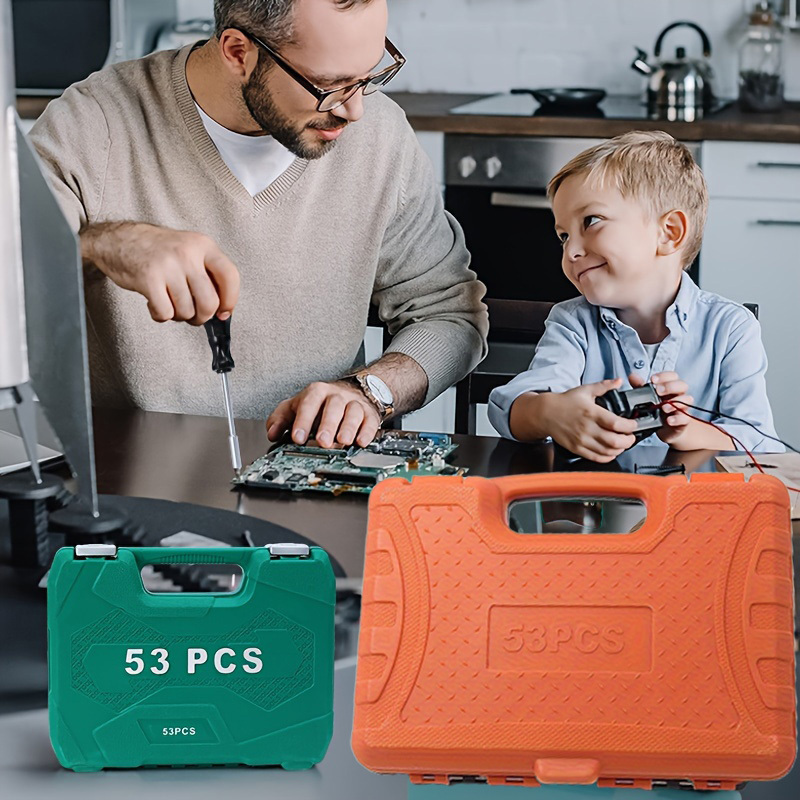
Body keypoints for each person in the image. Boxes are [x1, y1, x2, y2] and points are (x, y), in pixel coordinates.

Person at [30, 0, 487, 449]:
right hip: (126, 472)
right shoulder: (95, 121)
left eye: (369, 75)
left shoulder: (381, 139)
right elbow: (13, 271)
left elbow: (448, 313)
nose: (355, 112)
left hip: (314, 469)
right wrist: (106, 246)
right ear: (237, 52)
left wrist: (370, 391)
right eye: (329, 85)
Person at [488, 130, 781, 462]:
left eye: (591, 221)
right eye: (564, 236)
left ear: (669, 233)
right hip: (591, 494)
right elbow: (508, 407)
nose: (571, 251)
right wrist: (549, 412)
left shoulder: (730, 328)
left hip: (695, 497)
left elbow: (761, 442)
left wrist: (687, 430)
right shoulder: (573, 322)